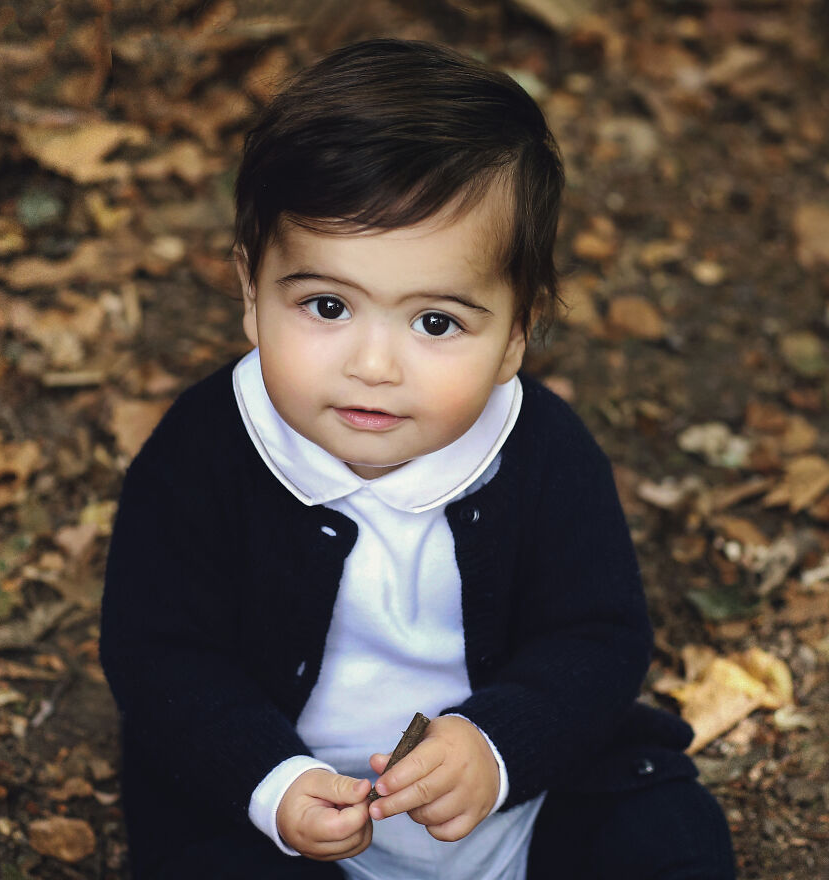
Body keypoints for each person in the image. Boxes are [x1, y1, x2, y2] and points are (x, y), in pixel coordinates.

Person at [100, 38, 736, 879]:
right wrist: (272, 781)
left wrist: (498, 742)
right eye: (327, 305)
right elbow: (158, 653)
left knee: (666, 837)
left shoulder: (542, 454)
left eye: (435, 322)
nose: (373, 365)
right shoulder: (205, 452)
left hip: (522, 797)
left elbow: (598, 636)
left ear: (516, 334)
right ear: (253, 293)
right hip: (279, 814)